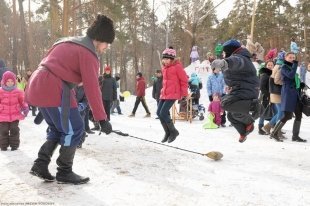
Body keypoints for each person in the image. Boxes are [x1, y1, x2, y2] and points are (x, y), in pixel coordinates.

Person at [26, 14, 114, 184]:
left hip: (38, 84)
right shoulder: (88, 53)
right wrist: (102, 119)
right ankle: (64, 171)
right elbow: (92, 88)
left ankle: (40, 164)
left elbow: (58, 68)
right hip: (52, 87)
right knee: (75, 129)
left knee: (59, 129)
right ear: (100, 39)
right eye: (107, 44)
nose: (106, 48)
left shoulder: (66, 41)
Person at [216, 39, 260, 143]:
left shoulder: (240, 58)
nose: (223, 54)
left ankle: (254, 108)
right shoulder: (239, 57)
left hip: (247, 89)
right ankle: (243, 131)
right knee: (231, 115)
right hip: (240, 88)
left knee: (225, 103)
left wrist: (225, 62)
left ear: (230, 51)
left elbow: (236, 62)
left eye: (224, 52)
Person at [270, 52, 306, 142]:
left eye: (293, 57)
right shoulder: (284, 67)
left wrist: (300, 84)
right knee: (287, 115)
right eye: (290, 57)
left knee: (298, 114)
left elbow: (294, 79)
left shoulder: (292, 67)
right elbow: (290, 75)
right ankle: (274, 133)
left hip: (295, 94)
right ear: (286, 58)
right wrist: (295, 64)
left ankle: (295, 136)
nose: (292, 59)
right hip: (288, 94)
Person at [157, 47, 188, 143]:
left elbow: (184, 80)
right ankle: (167, 132)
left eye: (167, 59)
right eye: (164, 59)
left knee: (163, 112)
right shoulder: (165, 68)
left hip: (173, 93)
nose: (165, 61)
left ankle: (173, 131)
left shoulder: (177, 67)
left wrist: (184, 94)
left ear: (172, 59)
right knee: (159, 113)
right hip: (165, 93)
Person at [0, 71, 29, 151]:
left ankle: (14, 145)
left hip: (15, 114)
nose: (10, 83)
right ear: (4, 81)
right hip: (3, 115)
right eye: (8, 81)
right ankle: (3, 145)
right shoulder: (0, 91)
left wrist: (25, 108)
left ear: (14, 81)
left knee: (14, 129)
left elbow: (23, 101)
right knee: (3, 130)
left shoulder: (18, 91)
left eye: (12, 81)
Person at [207, 60, 226, 127]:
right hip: (214, 96)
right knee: (214, 109)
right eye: (217, 68)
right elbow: (208, 86)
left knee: (222, 108)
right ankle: (214, 121)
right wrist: (209, 94)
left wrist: (224, 92)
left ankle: (222, 121)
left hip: (221, 95)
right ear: (213, 69)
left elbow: (224, 85)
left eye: (219, 68)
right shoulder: (210, 77)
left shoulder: (221, 76)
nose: (218, 70)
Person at [257, 60, 274, 135]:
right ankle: (260, 129)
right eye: (269, 65)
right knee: (263, 112)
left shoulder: (271, 74)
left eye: (271, 65)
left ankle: (273, 127)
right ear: (266, 66)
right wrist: (268, 95)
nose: (270, 66)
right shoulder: (264, 74)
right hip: (265, 96)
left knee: (270, 111)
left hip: (270, 96)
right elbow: (262, 87)